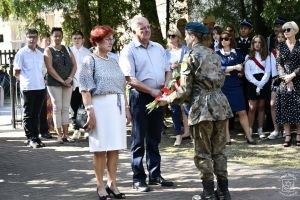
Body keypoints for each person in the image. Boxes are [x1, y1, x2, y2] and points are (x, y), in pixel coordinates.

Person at [158, 22, 233, 200]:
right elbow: (221, 80)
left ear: (192, 36)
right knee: (219, 152)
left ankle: (208, 193)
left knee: (203, 153)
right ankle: (224, 192)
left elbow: (184, 90)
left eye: (186, 35)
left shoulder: (190, 56)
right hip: (221, 106)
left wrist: (166, 99)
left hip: (202, 109)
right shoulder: (214, 55)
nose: (184, 38)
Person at [119, 15, 173, 192]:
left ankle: (155, 175)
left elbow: (168, 71)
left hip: (158, 97)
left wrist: (166, 87)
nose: (147, 30)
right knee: (138, 139)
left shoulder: (158, 47)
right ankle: (138, 178)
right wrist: (150, 91)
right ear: (133, 31)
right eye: (142, 28)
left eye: (148, 27)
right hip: (140, 97)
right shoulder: (128, 50)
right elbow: (130, 79)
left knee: (155, 138)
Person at [79, 25, 131, 200]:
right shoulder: (89, 60)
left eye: (112, 39)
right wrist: (89, 111)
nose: (111, 42)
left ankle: (112, 183)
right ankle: (100, 185)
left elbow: (122, 87)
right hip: (99, 106)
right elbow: (85, 89)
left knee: (115, 148)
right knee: (100, 149)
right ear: (97, 41)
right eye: (107, 39)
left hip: (116, 107)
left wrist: (126, 109)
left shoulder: (114, 60)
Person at [216, 31, 256, 145]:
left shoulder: (237, 53)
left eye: (226, 38)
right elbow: (218, 69)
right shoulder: (216, 54)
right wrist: (233, 67)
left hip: (235, 85)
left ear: (230, 40)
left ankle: (249, 137)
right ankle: (227, 138)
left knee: (242, 111)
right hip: (223, 86)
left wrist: (240, 71)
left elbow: (241, 69)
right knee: (224, 113)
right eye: (221, 39)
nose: (223, 41)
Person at [13, 29, 47, 148]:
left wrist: (42, 81)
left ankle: (36, 137)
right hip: (28, 88)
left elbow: (43, 70)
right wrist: (24, 83)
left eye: (34, 37)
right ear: (26, 38)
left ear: (37, 38)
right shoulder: (21, 53)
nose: (32, 39)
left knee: (36, 114)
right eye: (30, 37)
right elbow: (17, 72)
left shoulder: (40, 54)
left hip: (40, 87)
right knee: (28, 114)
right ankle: (30, 138)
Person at [44, 27, 77, 144]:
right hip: (54, 83)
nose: (57, 38)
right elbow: (50, 68)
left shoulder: (67, 49)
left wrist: (70, 78)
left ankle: (66, 135)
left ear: (62, 36)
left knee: (66, 108)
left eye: (59, 35)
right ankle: (59, 135)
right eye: (55, 36)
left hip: (68, 82)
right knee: (57, 107)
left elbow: (74, 65)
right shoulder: (48, 50)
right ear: (51, 37)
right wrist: (62, 81)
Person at [275, 21, 300, 147]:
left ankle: (299, 135)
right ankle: (288, 135)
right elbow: (279, 64)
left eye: (288, 29)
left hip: (298, 80)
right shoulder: (281, 47)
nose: (285, 32)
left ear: (295, 30)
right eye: (284, 30)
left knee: (298, 107)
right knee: (284, 107)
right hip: (285, 81)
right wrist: (286, 78)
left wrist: (292, 76)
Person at [165, 27, 189, 146]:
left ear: (178, 37)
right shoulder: (165, 52)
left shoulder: (184, 49)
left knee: (186, 108)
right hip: (171, 82)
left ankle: (190, 133)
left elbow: (189, 63)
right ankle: (178, 135)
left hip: (184, 82)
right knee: (174, 109)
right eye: (169, 36)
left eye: (173, 36)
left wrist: (178, 64)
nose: (170, 38)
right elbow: (163, 67)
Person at [245, 35, 271, 139]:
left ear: (262, 44)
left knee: (261, 107)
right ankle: (249, 129)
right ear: (252, 44)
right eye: (255, 42)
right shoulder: (248, 57)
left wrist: (261, 84)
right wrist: (257, 84)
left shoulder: (267, 56)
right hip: (252, 83)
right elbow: (247, 73)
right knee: (252, 108)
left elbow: (267, 72)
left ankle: (260, 129)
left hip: (264, 82)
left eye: (259, 42)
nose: (257, 44)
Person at [69, 30, 91, 141]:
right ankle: (76, 130)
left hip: (85, 84)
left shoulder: (88, 52)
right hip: (73, 84)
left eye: (79, 38)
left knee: (86, 107)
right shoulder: (68, 51)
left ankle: (86, 130)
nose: (77, 40)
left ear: (83, 39)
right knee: (74, 107)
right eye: (75, 38)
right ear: (72, 40)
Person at [268, 31, 286, 140]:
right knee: (272, 104)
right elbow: (272, 68)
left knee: (284, 104)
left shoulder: (290, 49)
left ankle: (285, 129)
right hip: (275, 80)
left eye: (282, 37)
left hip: (286, 78)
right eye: (278, 37)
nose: (280, 39)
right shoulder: (273, 52)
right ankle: (276, 130)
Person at [37, 33, 53, 139]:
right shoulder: (37, 52)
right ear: (40, 41)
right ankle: (37, 129)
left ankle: (46, 129)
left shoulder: (51, 51)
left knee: (47, 108)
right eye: (45, 40)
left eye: (48, 40)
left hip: (49, 82)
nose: (47, 42)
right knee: (38, 108)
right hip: (37, 83)